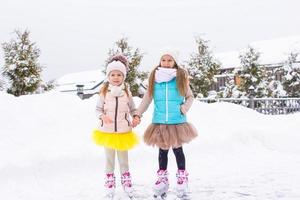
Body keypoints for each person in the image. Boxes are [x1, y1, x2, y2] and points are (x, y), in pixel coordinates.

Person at [136, 48, 198, 198]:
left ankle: (182, 177)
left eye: (170, 60)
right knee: (162, 151)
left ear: (175, 62)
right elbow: (147, 98)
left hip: (177, 121)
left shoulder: (181, 77)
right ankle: (162, 178)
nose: (166, 63)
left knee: (178, 150)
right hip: (160, 121)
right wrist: (138, 113)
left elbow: (190, 97)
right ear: (160, 61)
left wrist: (184, 108)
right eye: (163, 60)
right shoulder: (154, 78)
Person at [92, 54, 141, 198]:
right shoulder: (103, 92)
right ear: (108, 76)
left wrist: (136, 117)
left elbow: (133, 109)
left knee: (123, 159)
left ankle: (126, 181)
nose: (116, 77)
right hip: (107, 132)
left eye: (119, 74)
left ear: (123, 76)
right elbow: (97, 110)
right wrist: (102, 116)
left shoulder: (127, 92)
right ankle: (109, 181)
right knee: (109, 159)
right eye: (112, 74)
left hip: (124, 131)